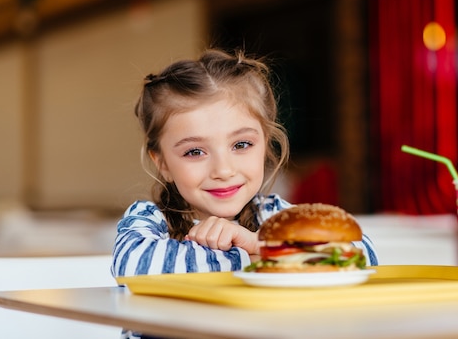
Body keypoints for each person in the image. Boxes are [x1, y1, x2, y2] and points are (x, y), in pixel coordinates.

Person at [111, 48, 378, 279]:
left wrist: (256, 243)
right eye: (194, 152)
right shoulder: (150, 220)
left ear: (265, 145)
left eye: (241, 145)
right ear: (163, 164)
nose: (223, 170)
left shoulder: (273, 217)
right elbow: (132, 265)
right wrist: (260, 256)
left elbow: (364, 254)